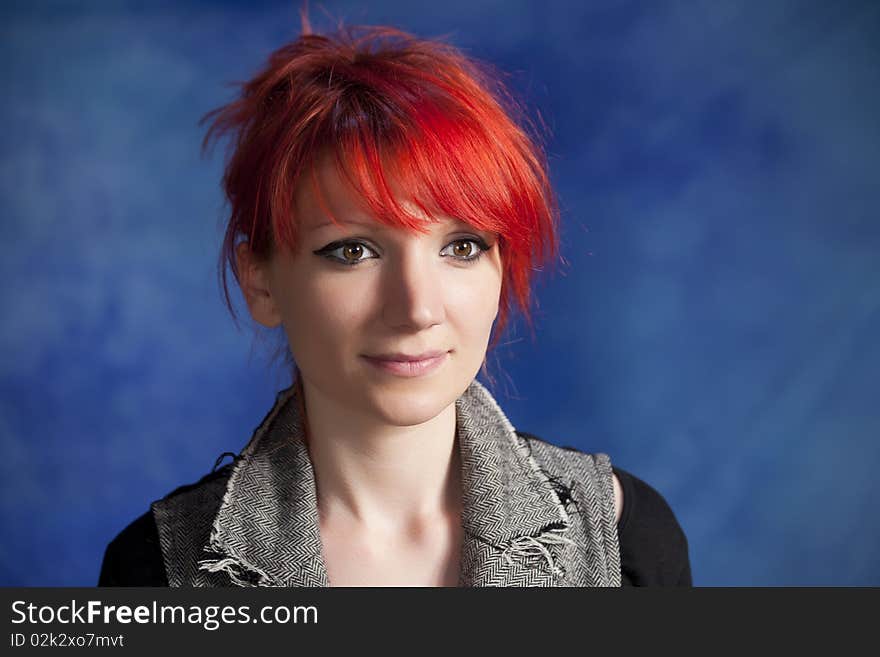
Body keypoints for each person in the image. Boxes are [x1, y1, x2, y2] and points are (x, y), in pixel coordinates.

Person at [99, 19, 691, 587]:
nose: (416, 309)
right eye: (352, 250)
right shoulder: (155, 571)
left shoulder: (623, 542)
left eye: (461, 246)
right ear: (260, 282)